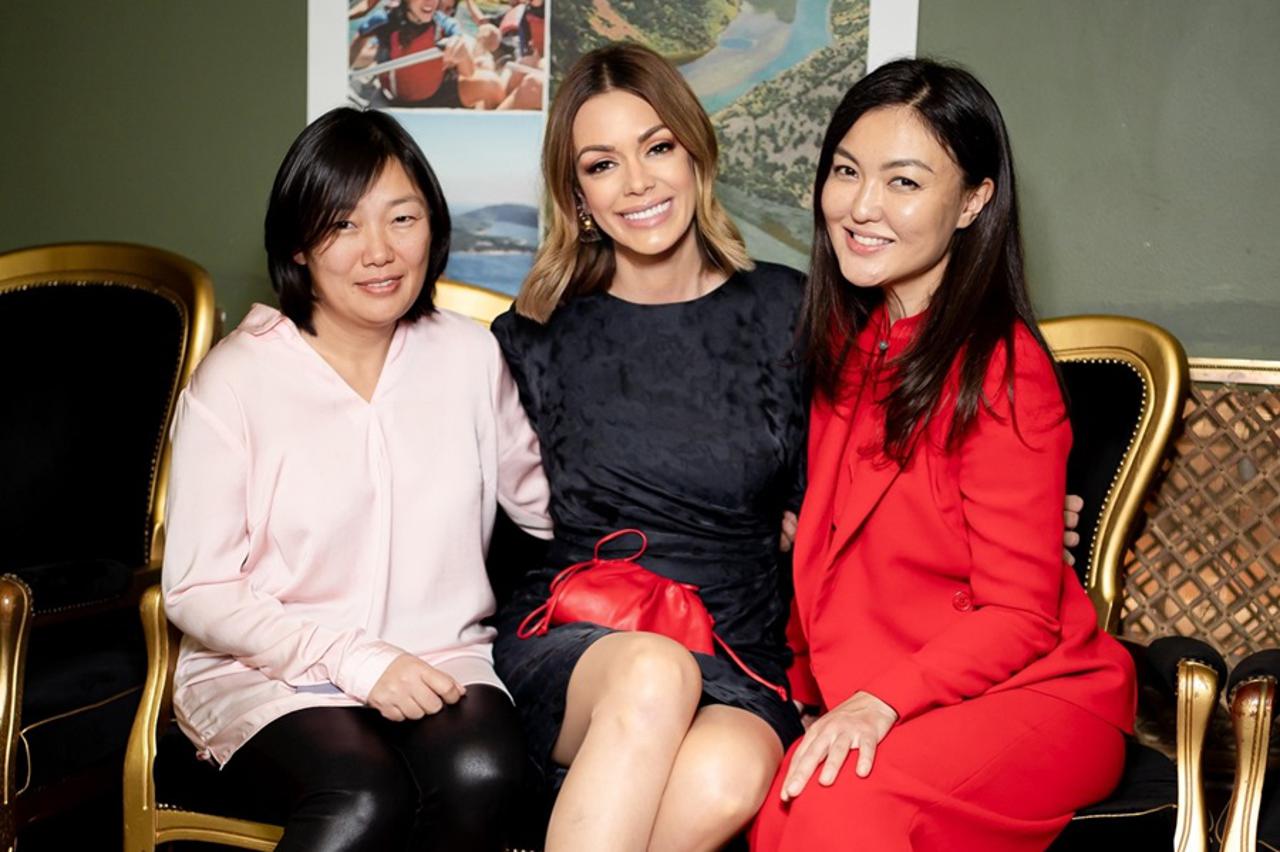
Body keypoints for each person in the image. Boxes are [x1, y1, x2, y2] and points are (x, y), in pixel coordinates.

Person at [750, 59, 1136, 851]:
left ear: (972, 201)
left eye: (903, 182)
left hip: (1038, 694)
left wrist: (877, 702)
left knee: (834, 808)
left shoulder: (1003, 367)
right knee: (776, 805)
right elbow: (832, 556)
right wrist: (804, 688)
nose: (861, 206)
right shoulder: (844, 349)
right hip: (892, 690)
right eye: (847, 172)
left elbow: (1021, 614)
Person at [161, 107, 552, 852]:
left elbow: (547, 504)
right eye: (343, 225)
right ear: (299, 244)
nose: (379, 251)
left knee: (482, 774)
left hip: (438, 657)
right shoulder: (235, 380)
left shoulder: (470, 356)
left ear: (433, 226)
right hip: (269, 673)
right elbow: (198, 588)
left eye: (402, 218)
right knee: (361, 796)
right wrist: (358, 662)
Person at [490, 43, 809, 851]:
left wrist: (999, 515)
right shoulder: (534, 336)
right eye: (602, 164)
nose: (636, 182)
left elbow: (867, 473)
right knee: (653, 672)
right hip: (580, 642)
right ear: (578, 196)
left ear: (695, 154)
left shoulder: (788, 311)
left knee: (723, 778)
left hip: (739, 645)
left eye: (657, 147)